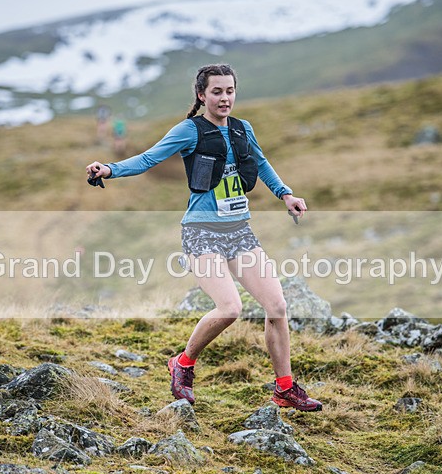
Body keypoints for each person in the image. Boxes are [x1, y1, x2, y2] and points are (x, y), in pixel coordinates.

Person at [85, 63, 322, 412]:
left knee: (277, 307)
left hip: (239, 231)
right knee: (230, 308)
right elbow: (149, 158)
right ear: (201, 94)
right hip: (201, 232)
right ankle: (183, 364)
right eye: (217, 92)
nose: (225, 98)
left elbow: (261, 163)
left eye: (230, 91)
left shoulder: (242, 129)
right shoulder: (190, 130)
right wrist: (110, 169)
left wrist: (285, 194)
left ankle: (284, 389)